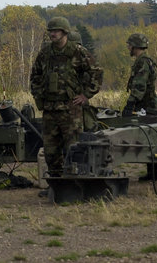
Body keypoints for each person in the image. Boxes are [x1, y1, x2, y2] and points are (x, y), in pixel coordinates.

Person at [29, 17, 102, 195]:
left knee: (74, 150)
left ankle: (75, 186)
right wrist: (38, 95)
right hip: (50, 111)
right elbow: (35, 76)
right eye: (51, 31)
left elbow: (96, 72)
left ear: (64, 32)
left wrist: (86, 95)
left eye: (56, 30)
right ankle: (56, 187)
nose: (52, 33)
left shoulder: (77, 52)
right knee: (51, 152)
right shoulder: (45, 54)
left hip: (71, 111)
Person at [123, 33, 157, 181]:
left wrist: (130, 103)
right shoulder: (144, 61)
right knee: (150, 138)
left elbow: (140, 85)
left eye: (130, 45)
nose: (128, 47)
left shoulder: (143, 62)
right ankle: (153, 172)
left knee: (150, 139)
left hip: (147, 106)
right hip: (147, 105)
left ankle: (155, 173)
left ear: (135, 46)